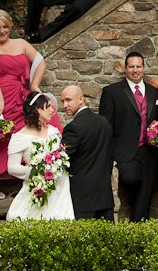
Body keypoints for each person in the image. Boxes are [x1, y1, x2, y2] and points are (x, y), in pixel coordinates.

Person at [0, 9, 63, 199]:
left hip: (20, 93)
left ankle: (27, 175)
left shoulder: (22, 44)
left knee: (35, 126)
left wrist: (34, 85)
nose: (1, 31)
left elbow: (40, 61)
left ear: (10, 26)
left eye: (5, 27)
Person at [99, 51, 158, 222]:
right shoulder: (111, 92)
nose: (135, 70)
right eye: (131, 66)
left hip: (150, 150)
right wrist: (109, 153)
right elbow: (105, 125)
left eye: (138, 66)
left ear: (143, 68)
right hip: (124, 150)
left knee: (147, 189)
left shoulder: (154, 92)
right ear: (125, 69)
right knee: (131, 178)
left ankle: (138, 225)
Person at [6, 91, 74, 220]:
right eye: (47, 106)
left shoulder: (53, 131)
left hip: (59, 186)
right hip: (37, 186)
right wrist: (36, 172)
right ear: (37, 109)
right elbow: (12, 167)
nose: (51, 110)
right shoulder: (19, 137)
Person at [60, 85, 114, 221]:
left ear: (81, 99)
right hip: (104, 195)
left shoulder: (73, 128)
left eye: (68, 100)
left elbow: (61, 160)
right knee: (108, 240)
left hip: (83, 197)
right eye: (63, 101)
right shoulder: (104, 122)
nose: (65, 105)